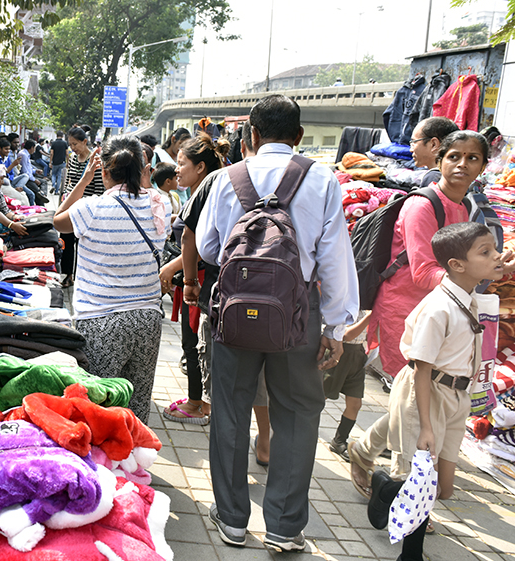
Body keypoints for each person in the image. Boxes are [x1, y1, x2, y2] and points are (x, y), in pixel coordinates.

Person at [195, 95, 357, 551]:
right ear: (299, 136)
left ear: (250, 135)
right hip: (297, 312)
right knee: (298, 415)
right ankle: (284, 528)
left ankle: (231, 519)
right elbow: (334, 260)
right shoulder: (321, 178)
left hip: (234, 311)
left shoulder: (226, 178)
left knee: (230, 408)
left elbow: (208, 249)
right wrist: (335, 329)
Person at [349, 131, 503, 496]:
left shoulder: (465, 207)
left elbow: (461, 266)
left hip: (445, 311)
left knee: (418, 402)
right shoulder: (422, 205)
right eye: (454, 156)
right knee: (415, 403)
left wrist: (487, 268)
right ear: (439, 159)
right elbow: (422, 272)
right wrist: (475, 277)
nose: (462, 165)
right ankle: (406, 487)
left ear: (482, 166)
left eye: (472, 158)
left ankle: (364, 449)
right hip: (408, 312)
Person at [367, 222, 503, 561]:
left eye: (494, 249)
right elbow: (422, 370)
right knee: (422, 487)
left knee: (443, 489)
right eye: (486, 252)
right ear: (457, 265)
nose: (496, 256)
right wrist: (426, 425)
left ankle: (385, 487)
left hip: (456, 399)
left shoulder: (467, 297)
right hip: (426, 394)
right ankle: (410, 555)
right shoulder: (439, 308)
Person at [53, 136, 170, 424]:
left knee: (99, 405)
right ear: (143, 168)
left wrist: (84, 179)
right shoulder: (160, 204)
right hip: (147, 318)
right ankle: (135, 462)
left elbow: (58, 220)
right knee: (137, 403)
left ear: (105, 171)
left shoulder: (91, 208)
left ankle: (108, 467)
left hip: (100, 320)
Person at [158, 133, 226, 426]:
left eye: (182, 163)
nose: (177, 170)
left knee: (194, 342)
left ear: (200, 167)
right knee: (193, 342)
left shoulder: (207, 192)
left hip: (200, 279)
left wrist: (178, 273)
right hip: (198, 277)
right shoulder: (204, 191)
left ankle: (198, 403)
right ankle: (197, 399)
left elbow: (194, 241)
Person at [59, 127, 105, 284]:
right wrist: (66, 197)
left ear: (85, 142)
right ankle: (66, 275)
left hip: (87, 209)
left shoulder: (96, 160)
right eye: (70, 144)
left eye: (75, 144)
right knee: (66, 240)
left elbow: (99, 189)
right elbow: (70, 182)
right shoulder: (72, 158)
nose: (73, 148)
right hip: (71, 207)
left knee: (83, 245)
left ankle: (80, 277)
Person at [325, 310, 372, 460]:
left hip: (357, 355)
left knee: (355, 403)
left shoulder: (368, 306)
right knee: (320, 398)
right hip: (338, 352)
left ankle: (339, 440)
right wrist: (372, 317)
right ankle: (300, 433)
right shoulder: (347, 304)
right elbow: (346, 335)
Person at [408, 116, 459, 187]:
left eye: (414, 142)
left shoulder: (434, 178)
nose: (411, 150)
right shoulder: (460, 175)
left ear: (434, 144)